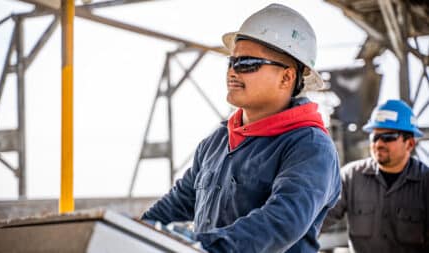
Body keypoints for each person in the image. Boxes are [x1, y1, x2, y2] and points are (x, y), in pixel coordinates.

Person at [141, 4, 341, 253]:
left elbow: (281, 222)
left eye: (247, 63)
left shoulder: (309, 147)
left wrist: (197, 246)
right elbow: (174, 206)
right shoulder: (216, 142)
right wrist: (132, 233)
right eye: (231, 61)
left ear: (286, 78)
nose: (233, 71)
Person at [323, 99, 429, 253]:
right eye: (375, 137)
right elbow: (317, 221)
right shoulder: (351, 177)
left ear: (410, 144)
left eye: (388, 137)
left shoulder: (425, 183)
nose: (379, 144)